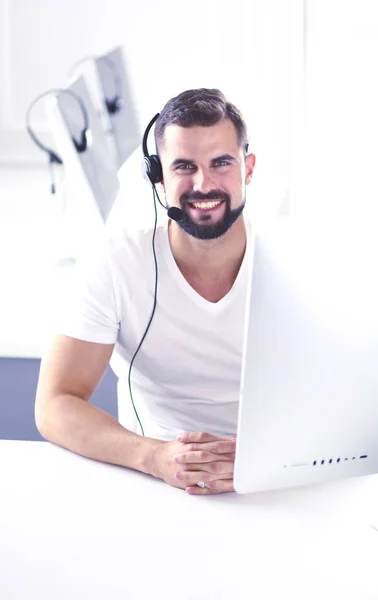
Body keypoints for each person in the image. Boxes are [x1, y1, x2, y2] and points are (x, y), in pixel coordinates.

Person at [35, 88, 256, 495]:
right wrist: (153, 457)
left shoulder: (294, 264)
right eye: (184, 166)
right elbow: (55, 404)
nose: (203, 183)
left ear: (248, 168)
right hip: (158, 484)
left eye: (221, 162)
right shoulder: (117, 261)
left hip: (272, 482)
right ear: (157, 176)